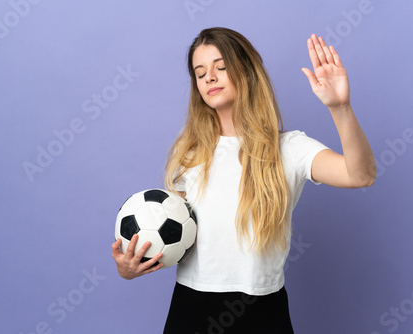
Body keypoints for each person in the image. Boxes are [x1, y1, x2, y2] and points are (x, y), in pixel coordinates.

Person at [112, 27, 375, 333]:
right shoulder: (189, 153)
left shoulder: (289, 148)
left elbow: (361, 175)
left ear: (247, 72)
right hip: (191, 308)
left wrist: (339, 107)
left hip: (263, 310)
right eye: (200, 73)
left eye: (221, 67)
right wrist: (129, 268)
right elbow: (172, 235)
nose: (210, 77)